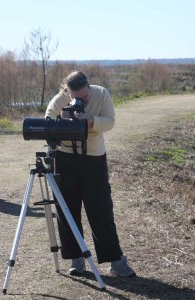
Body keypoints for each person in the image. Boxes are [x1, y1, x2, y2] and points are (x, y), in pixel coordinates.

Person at [45, 71, 136, 277]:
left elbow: (110, 121)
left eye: (84, 97)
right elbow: (48, 124)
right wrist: (67, 126)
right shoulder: (59, 100)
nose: (80, 100)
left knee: (101, 209)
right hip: (65, 159)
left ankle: (115, 261)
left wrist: (91, 120)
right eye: (75, 96)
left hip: (94, 158)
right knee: (67, 209)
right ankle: (77, 259)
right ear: (67, 91)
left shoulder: (101, 94)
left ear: (89, 87)